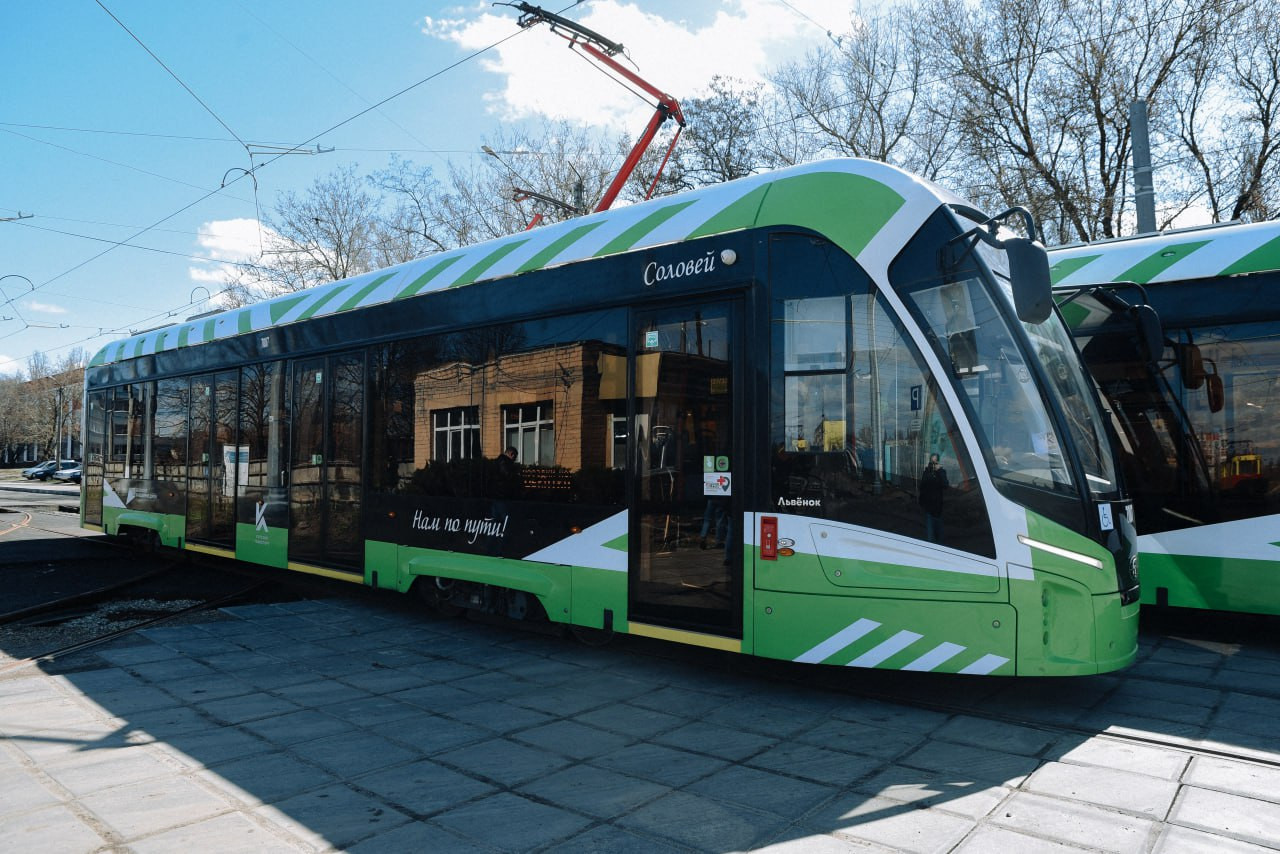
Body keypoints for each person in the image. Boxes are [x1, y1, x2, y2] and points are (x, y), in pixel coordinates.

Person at [919, 452, 948, 544]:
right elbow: (922, 487)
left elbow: (945, 485)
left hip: (938, 508)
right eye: (932, 463)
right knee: (930, 537)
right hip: (929, 508)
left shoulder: (942, 472)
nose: (933, 465)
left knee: (940, 537)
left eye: (935, 463)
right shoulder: (926, 472)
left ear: (938, 463)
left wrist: (939, 471)